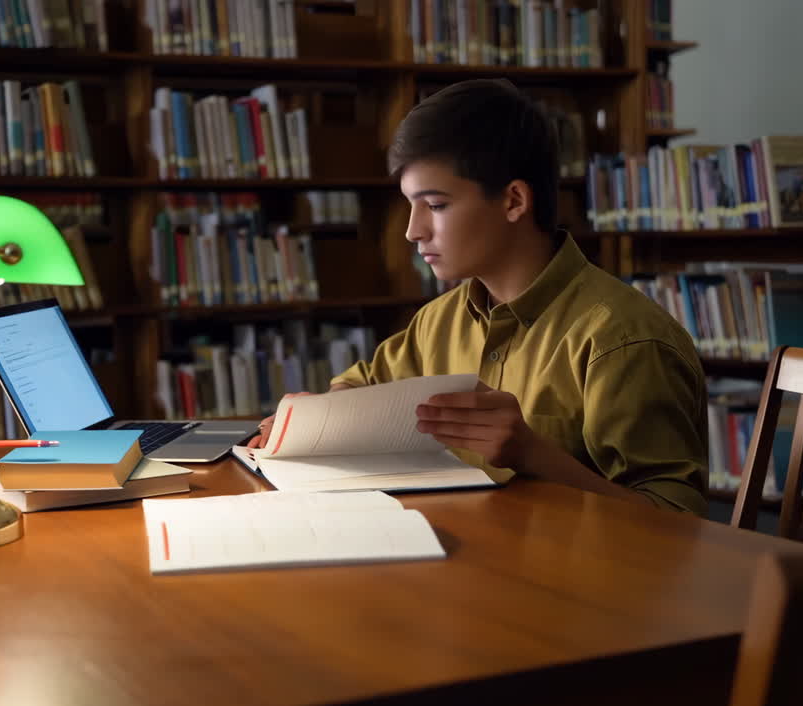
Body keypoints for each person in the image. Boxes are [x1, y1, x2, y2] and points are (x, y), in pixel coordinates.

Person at [250, 79, 708, 515]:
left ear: (513, 201)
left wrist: (533, 454)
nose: (413, 231)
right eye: (410, 205)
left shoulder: (623, 340)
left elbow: (680, 526)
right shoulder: (439, 321)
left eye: (435, 206)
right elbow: (359, 385)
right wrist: (317, 421)